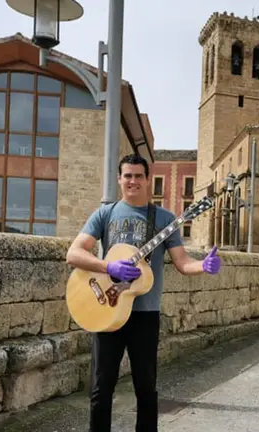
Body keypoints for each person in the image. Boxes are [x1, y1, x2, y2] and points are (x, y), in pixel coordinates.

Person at [66, 154, 222, 432]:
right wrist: (108, 265)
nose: (133, 181)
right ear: (119, 179)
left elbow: (183, 263)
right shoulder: (106, 214)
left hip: (145, 315)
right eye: (128, 175)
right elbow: (74, 253)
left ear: (148, 179)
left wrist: (204, 266)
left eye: (139, 176)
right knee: (101, 389)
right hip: (106, 310)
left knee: (146, 389)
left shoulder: (164, 218)